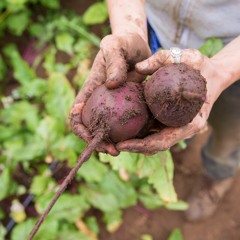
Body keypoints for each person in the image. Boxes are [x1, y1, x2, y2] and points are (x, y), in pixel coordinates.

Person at [70, 0, 240, 221]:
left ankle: (218, 174)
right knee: (175, 132)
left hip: (233, 58)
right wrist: (129, 30)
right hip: (157, 37)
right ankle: (181, 146)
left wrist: (222, 69)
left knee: (230, 134)